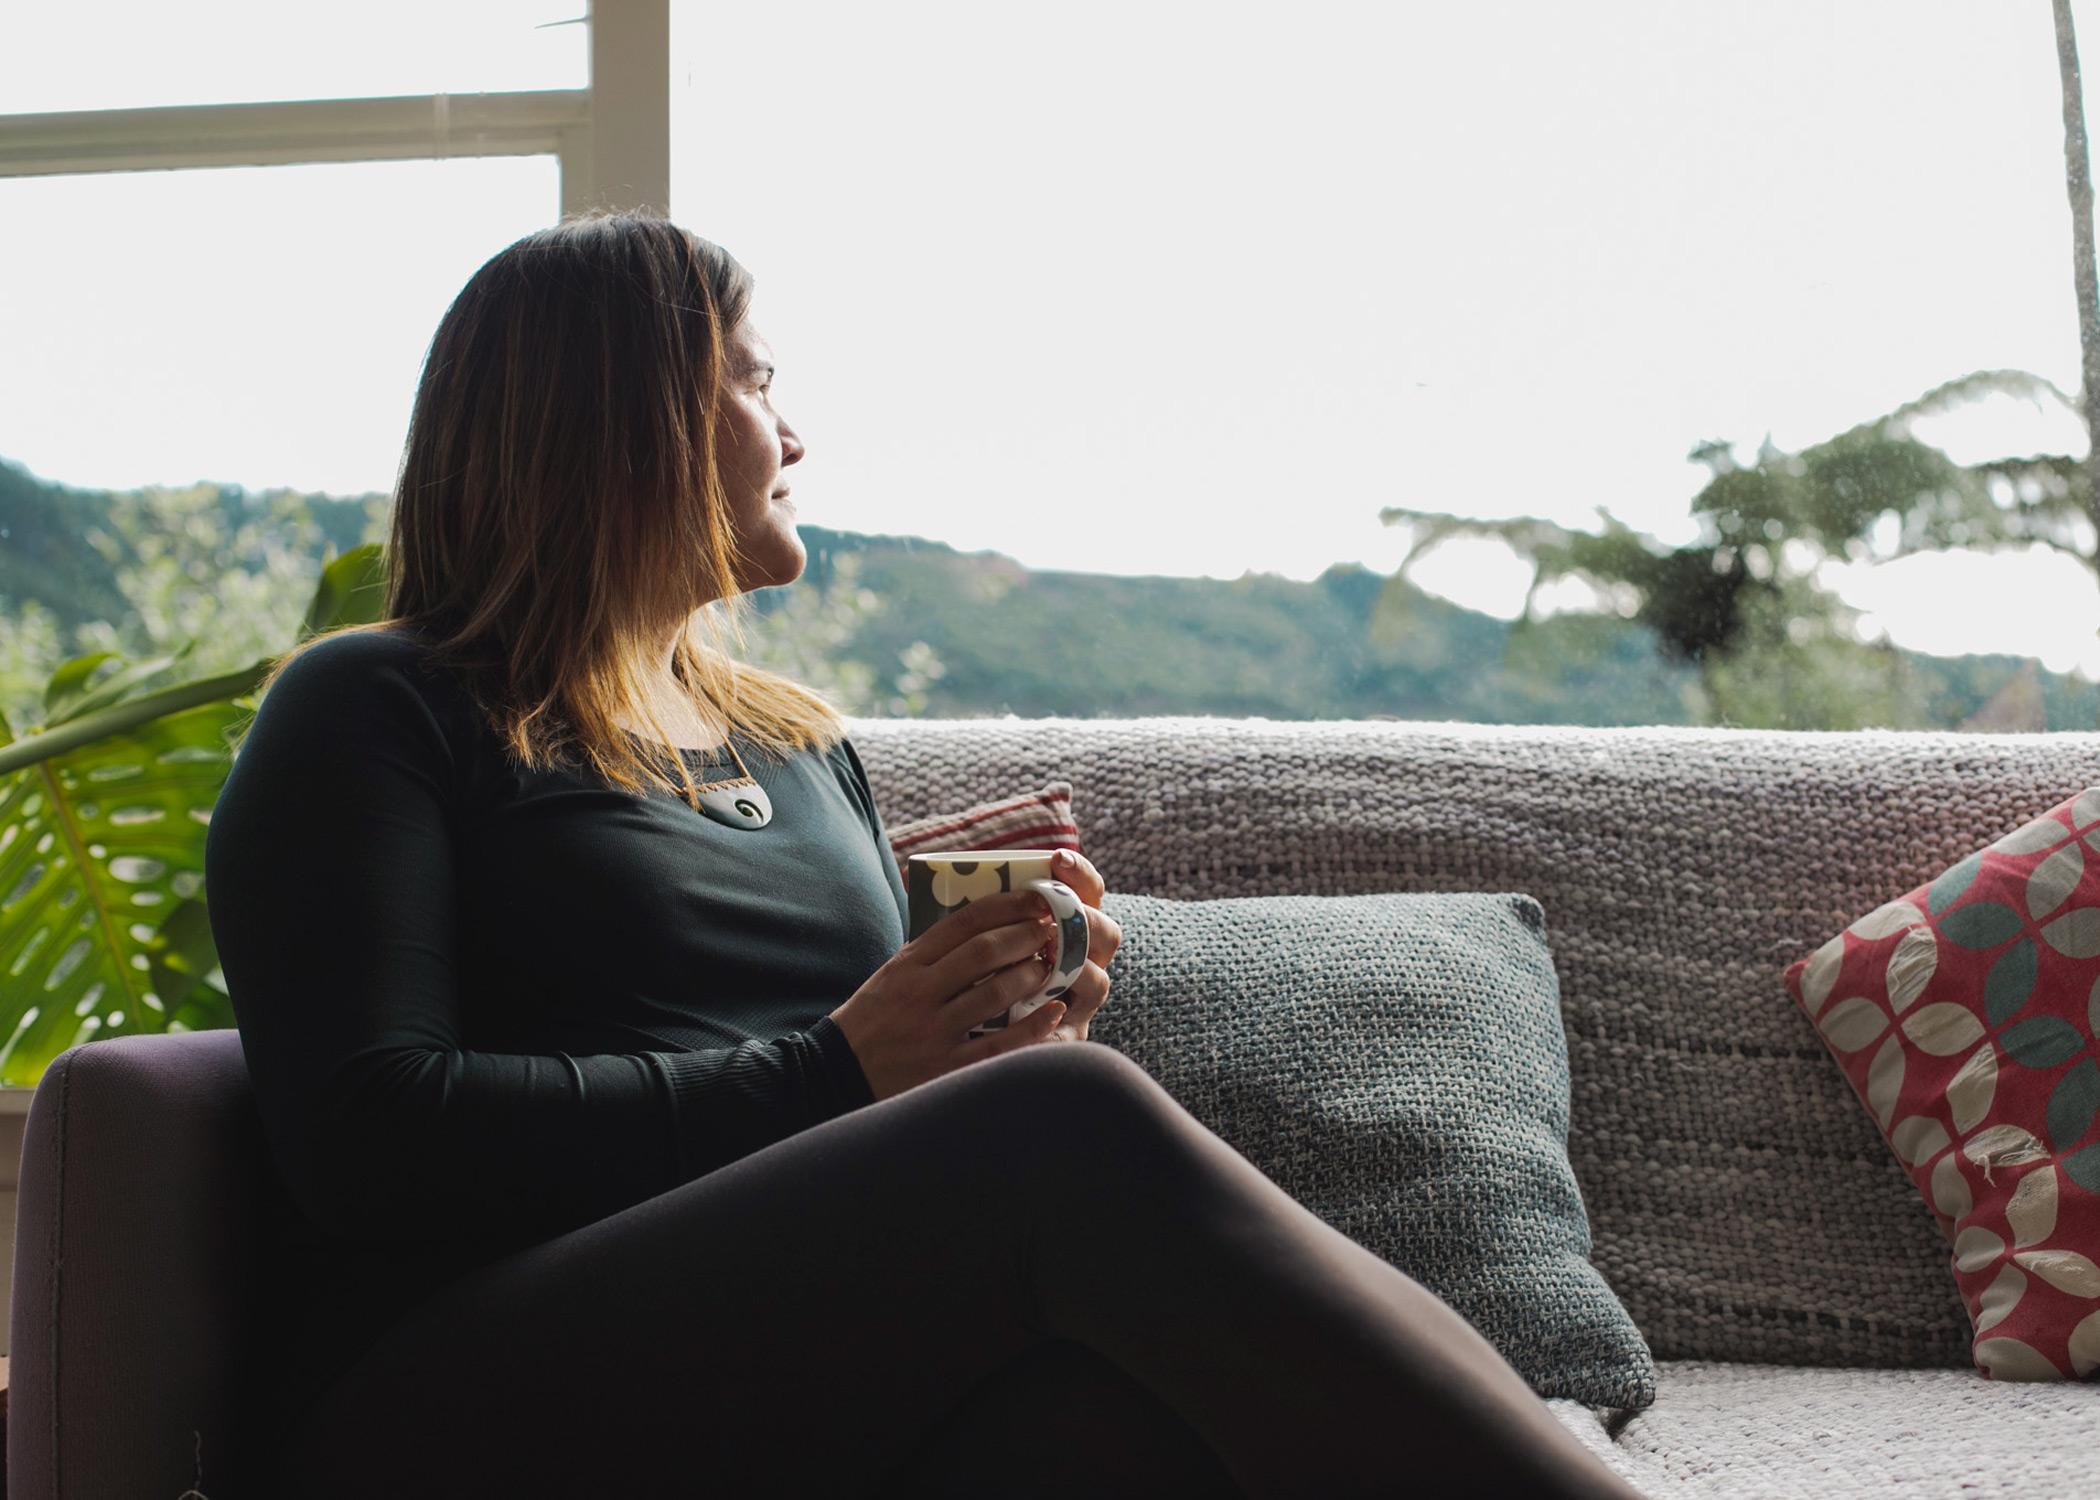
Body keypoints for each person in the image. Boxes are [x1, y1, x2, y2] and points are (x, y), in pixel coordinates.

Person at [203, 210, 1652, 1499]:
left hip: (782, 1354)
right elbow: (373, 1142)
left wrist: (986, 1039)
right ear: (622, 413)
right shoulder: (381, 707)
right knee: (1068, 1128)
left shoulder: (791, 742)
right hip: (453, 1390)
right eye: (755, 382)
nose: (794, 433)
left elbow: (856, 1115)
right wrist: (849, 1072)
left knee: (1120, 1424)